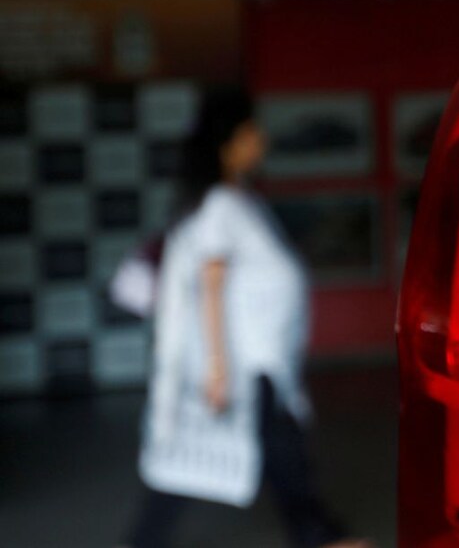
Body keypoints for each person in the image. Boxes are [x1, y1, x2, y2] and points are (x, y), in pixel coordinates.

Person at [122, 87, 368, 548]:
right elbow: (210, 287)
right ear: (229, 144)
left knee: (277, 454)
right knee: (257, 457)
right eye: (251, 132)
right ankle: (321, 535)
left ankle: (318, 533)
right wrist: (218, 368)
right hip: (248, 365)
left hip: (261, 362)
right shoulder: (220, 206)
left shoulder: (236, 201)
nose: (261, 139)